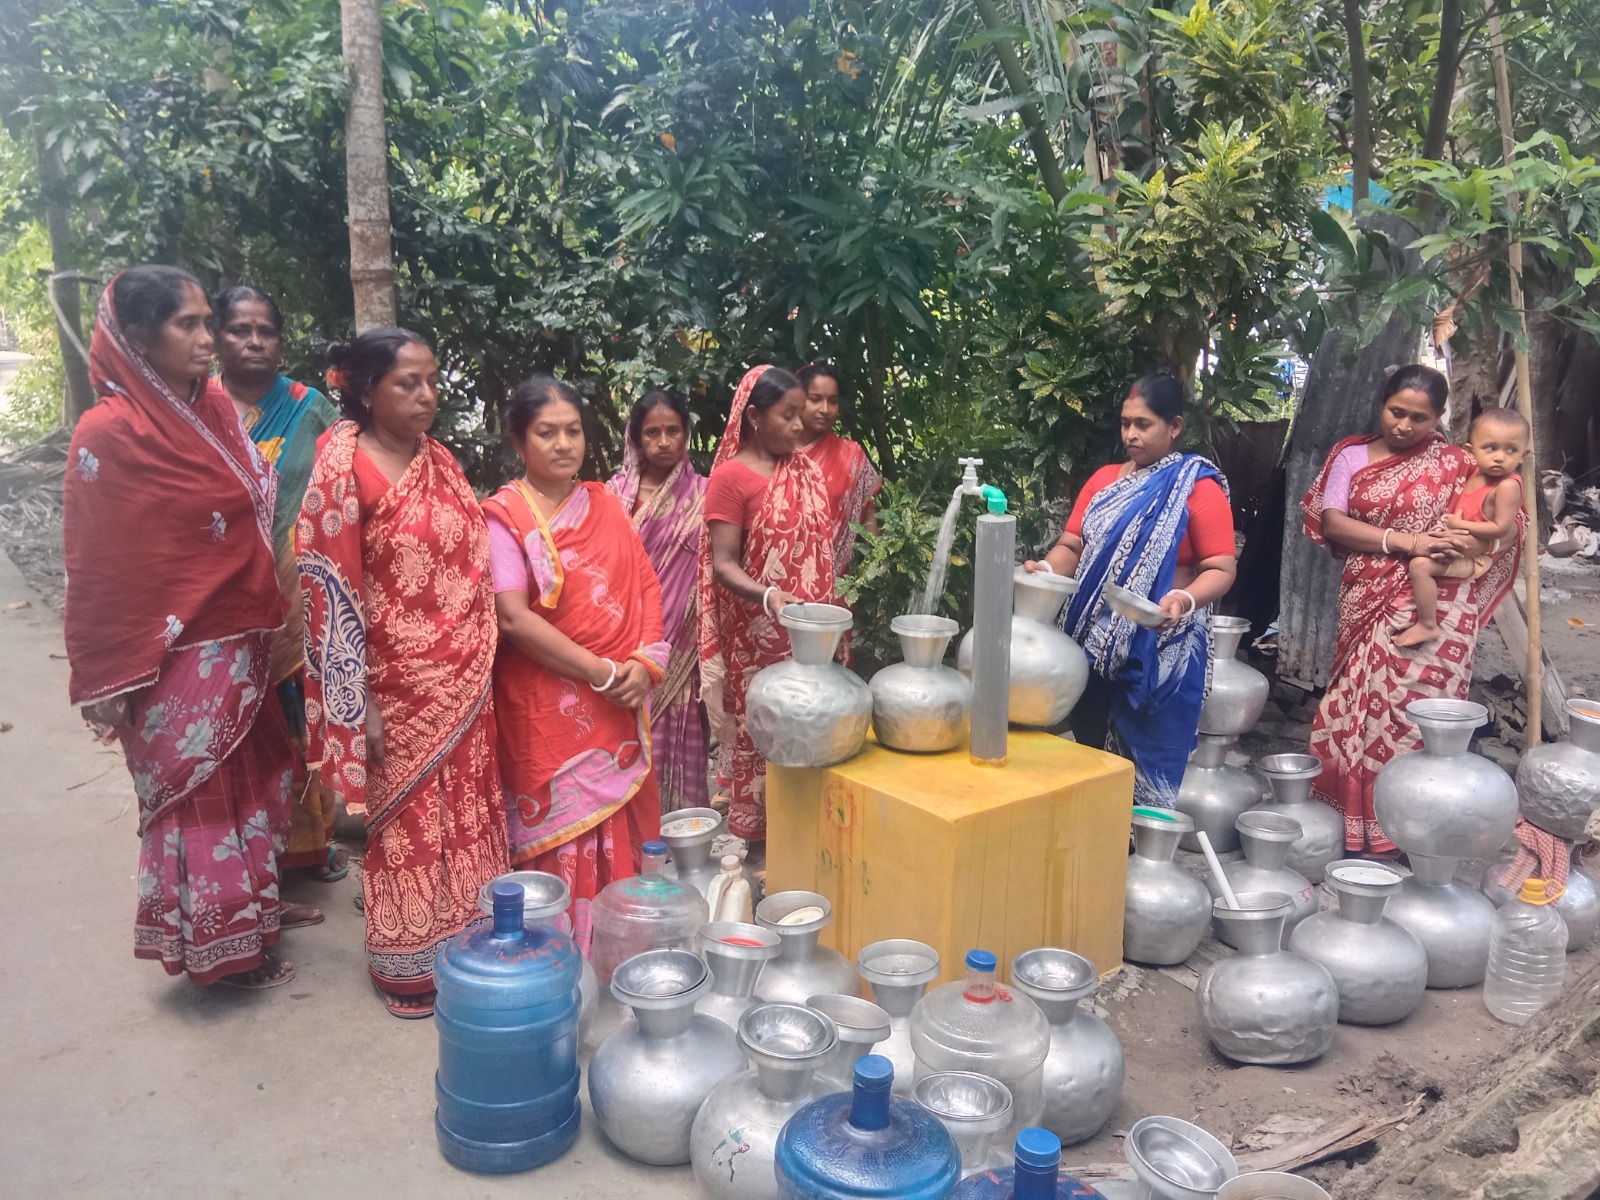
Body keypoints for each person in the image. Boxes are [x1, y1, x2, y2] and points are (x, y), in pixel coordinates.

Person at [63, 264, 300, 988]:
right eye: (187, 325)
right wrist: (108, 670)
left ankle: (255, 917)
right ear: (137, 336)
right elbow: (97, 562)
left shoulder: (216, 410)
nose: (207, 340)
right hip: (169, 653)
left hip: (241, 635)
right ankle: (217, 951)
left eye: (206, 323)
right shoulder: (109, 433)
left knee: (249, 783)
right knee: (199, 798)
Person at [298, 328, 508, 1017]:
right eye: (406, 383)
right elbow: (329, 591)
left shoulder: (437, 459)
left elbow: (469, 561)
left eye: (432, 381)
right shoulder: (343, 469)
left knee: (468, 813)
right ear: (366, 391)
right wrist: (358, 701)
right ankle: (407, 964)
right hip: (393, 685)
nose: (426, 395)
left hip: (464, 675)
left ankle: (471, 944)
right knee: (410, 823)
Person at [1302, 364, 1523, 856]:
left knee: (1416, 713)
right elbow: (1333, 523)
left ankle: (1407, 832)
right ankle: (1348, 821)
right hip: (1368, 594)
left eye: (1418, 418)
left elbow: (1506, 520)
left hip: (1441, 604)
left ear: (1438, 417)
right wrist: (1407, 541)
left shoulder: (1457, 461)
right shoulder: (1351, 454)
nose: (1403, 426)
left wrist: (1468, 544)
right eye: (1396, 411)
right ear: (1381, 403)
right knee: (1355, 705)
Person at [484, 377, 670, 951]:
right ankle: (558, 955)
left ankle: (621, 950)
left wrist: (643, 661)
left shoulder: (605, 503)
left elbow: (645, 585)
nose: (564, 444)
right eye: (547, 433)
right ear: (519, 442)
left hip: (618, 697)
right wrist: (601, 671)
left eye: (573, 431)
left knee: (622, 825)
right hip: (546, 706)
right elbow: (513, 618)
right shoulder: (504, 517)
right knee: (559, 836)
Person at [1024, 373, 1237, 808]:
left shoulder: (1196, 486)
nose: (1131, 435)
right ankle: (1094, 832)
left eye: (1143, 424)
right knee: (1089, 749)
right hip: (1091, 643)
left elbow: (1220, 567)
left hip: (1163, 645)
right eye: (1125, 424)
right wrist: (1044, 569)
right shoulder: (1104, 481)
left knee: (1146, 756)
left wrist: (1183, 599)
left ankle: (1142, 842)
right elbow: (1073, 545)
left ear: (1174, 426)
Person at [213, 285, 347, 882]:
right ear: (216, 337)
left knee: (300, 715)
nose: (254, 341)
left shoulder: (308, 408)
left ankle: (309, 845)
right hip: (218, 596)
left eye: (265, 331)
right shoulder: (195, 406)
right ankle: (238, 851)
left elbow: (347, 478)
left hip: (298, 596)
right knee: (232, 721)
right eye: (239, 330)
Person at [699, 366, 835, 842]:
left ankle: (808, 833)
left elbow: (820, 554)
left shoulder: (806, 472)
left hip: (809, 632)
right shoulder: (730, 478)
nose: (800, 425)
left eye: (802, 413)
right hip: (756, 635)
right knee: (764, 726)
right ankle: (764, 842)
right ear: (755, 417)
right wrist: (768, 594)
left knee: (814, 720)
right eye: (788, 415)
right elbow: (723, 563)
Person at [607, 388, 710, 813]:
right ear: (635, 437)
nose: (664, 441)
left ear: (686, 434)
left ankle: (676, 839)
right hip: (619, 648)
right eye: (652, 432)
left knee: (676, 744)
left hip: (680, 652)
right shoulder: (610, 496)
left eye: (673, 431)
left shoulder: (705, 495)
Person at [1393, 408, 1528, 647]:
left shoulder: (1507, 485)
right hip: (1456, 543)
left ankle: (1427, 625)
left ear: (1523, 455)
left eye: (1511, 450)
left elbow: (1500, 528)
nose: (1499, 457)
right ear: (1470, 451)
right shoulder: (1474, 474)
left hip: (1477, 558)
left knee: (1420, 566)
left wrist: (1458, 524)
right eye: (1490, 448)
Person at [796, 361, 881, 568]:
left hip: (835, 581)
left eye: (832, 401)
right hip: (772, 580)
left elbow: (869, 517)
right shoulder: (774, 452)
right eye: (815, 399)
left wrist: (876, 568)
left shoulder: (851, 456)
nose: (825, 409)